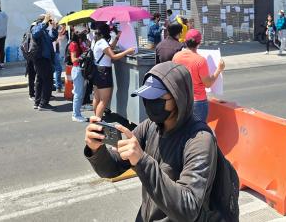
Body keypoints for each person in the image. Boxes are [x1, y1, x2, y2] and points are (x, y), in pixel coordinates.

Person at [84, 62, 222, 221]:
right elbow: (111, 169)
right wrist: (96, 149)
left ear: (178, 98)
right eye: (146, 98)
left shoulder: (200, 140)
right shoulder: (150, 127)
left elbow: (188, 208)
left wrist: (142, 161)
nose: (149, 104)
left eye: (157, 99)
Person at [172, 29, 225, 122]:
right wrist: (218, 70)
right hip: (198, 102)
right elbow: (208, 84)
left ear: (185, 41)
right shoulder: (200, 60)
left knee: (183, 130)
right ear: (199, 43)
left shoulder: (176, 56)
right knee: (198, 131)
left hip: (181, 100)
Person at [92, 23, 135, 118]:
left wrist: (117, 38)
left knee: (97, 98)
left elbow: (110, 48)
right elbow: (113, 56)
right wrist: (127, 51)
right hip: (103, 72)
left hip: (97, 70)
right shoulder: (103, 42)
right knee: (104, 100)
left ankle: (95, 118)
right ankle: (98, 122)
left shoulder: (98, 41)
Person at [31, 13, 58, 111]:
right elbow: (35, 33)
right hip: (41, 59)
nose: (49, 23)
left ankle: (37, 102)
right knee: (48, 81)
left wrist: (54, 28)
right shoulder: (36, 28)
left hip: (45, 59)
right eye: (48, 21)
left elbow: (52, 38)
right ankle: (43, 104)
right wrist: (44, 22)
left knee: (40, 81)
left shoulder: (44, 32)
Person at [69, 31, 88, 122]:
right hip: (77, 69)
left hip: (81, 70)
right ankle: (75, 115)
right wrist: (81, 57)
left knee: (80, 94)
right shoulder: (74, 44)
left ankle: (78, 113)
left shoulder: (80, 43)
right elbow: (73, 59)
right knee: (78, 94)